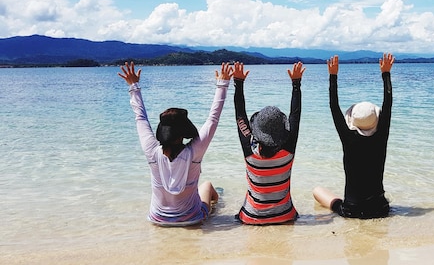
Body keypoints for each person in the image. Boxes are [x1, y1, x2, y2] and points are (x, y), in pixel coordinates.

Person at [118, 61, 233, 226]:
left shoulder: (152, 151)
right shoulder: (194, 152)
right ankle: (219, 203)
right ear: (184, 132)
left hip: (157, 219)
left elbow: (140, 117)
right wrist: (223, 84)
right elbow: (213, 119)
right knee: (208, 186)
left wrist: (134, 86)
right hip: (192, 219)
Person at [313, 53, 394, 219]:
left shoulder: (348, 138)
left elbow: (334, 107)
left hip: (352, 211)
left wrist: (333, 76)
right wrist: (385, 74)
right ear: (378, 120)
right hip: (381, 209)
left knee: (317, 191)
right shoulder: (381, 136)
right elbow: (388, 102)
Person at [233, 61, 305, 224]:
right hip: (285, 216)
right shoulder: (288, 151)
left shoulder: (249, 151)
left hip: (252, 217)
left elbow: (240, 116)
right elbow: (295, 115)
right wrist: (296, 84)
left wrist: (238, 84)